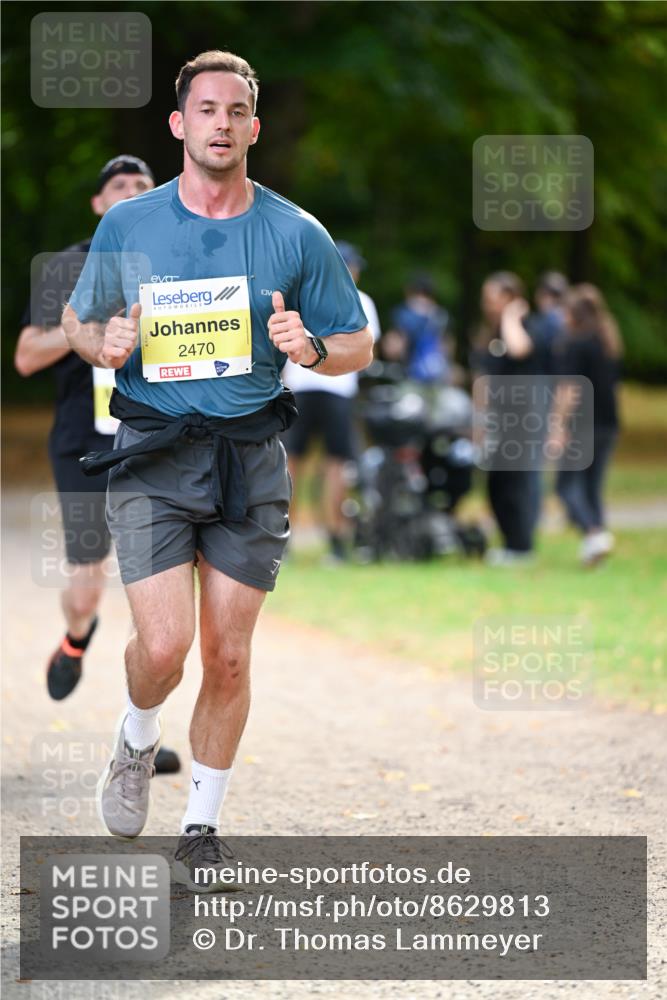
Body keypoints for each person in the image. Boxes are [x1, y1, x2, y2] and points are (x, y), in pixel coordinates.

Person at [62, 50, 372, 884]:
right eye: (206, 109)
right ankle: (135, 734)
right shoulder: (131, 226)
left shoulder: (295, 232)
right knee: (162, 649)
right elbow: (81, 319)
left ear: (254, 127)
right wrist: (105, 343)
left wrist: (309, 346)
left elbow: (356, 343)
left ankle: (200, 827)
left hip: (248, 459)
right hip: (156, 452)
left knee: (227, 656)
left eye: (236, 111)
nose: (221, 124)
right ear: (179, 124)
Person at [15, 155, 181, 774]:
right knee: (88, 585)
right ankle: (75, 636)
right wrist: (87, 328)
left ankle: (141, 730)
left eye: (145, 186)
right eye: (120, 187)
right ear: (98, 204)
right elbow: (28, 356)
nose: (135, 193)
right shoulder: (68, 265)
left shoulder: (177, 255)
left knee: (154, 591)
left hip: (154, 437)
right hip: (83, 441)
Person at [282, 240, 380, 561]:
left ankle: (285, 538)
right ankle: (336, 541)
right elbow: (366, 352)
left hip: (300, 384)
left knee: (291, 463)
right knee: (336, 465)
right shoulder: (360, 300)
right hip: (337, 388)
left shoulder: (302, 294)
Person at [471, 271, 551, 565]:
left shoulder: (529, 326)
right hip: (499, 421)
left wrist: (511, 316)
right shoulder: (488, 334)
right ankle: (509, 544)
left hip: (525, 419)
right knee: (496, 483)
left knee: (520, 482)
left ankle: (522, 547)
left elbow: (519, 349)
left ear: (511, 298)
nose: (487, 304)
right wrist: (479, 420)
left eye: (492, 299)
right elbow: (483, 379)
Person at [550, 284, 622, 566]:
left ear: (572, 315)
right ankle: (596, 547)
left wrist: (558, 425)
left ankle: (594, 534)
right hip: (608, 424)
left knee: (565, 486)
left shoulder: (574, 344)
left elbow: (569, 390)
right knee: (592, 488)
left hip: (583, 424)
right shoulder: (607, 343)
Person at [381, 273, 450, 384]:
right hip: (438, 379)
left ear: (409, 291)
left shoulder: (404, 313)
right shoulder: (441, 315)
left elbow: (392, 350)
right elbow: (447, 349)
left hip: (410, 379)